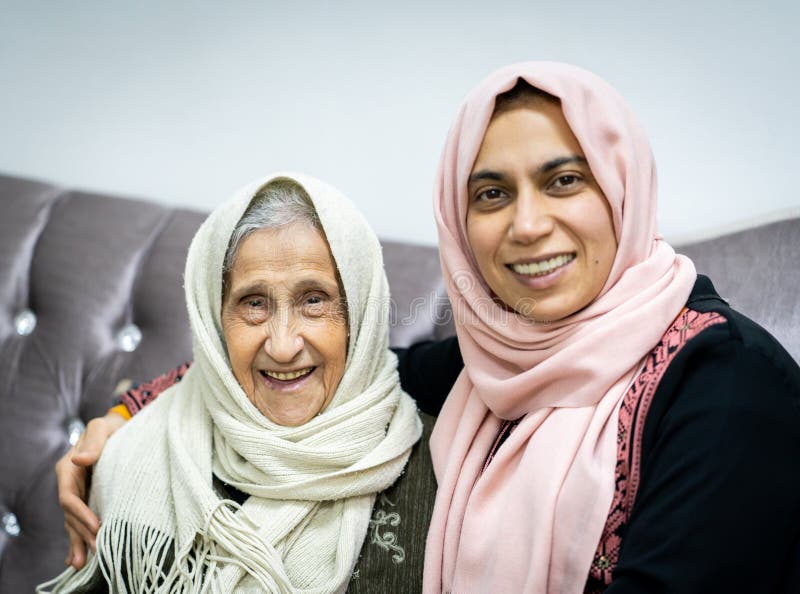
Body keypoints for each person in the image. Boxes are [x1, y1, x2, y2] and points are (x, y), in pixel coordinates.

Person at [57, 62, 800, 593]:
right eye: (491, 193)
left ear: (622, 187)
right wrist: (126, 412)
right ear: (459, 220)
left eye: (564, 180)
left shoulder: (729, 386)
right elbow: (346, 366)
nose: (529, 224)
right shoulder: (492, 369)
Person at [40, 173, 422, 592]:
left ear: (360, 317)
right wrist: (121, 414)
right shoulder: (130, 450)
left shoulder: (440, 475)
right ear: (214, 323)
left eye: (313, 300)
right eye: (253, 303)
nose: (282, 346)